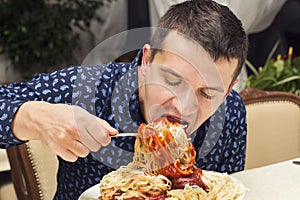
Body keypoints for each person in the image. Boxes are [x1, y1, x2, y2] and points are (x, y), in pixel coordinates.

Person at [0, 0, 248, 199]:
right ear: (146, 61)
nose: (184, 107)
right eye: (172, 81)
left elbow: (227, 190)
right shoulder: (90, 90)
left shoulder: (231, 113)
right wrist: (33, 117)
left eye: (206, 94)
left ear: (227, 91)